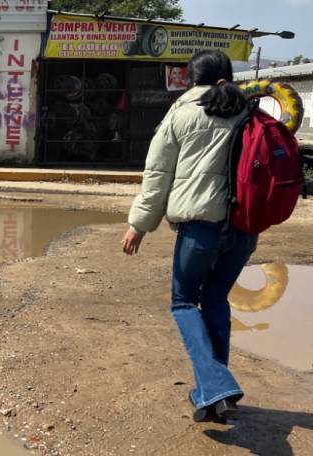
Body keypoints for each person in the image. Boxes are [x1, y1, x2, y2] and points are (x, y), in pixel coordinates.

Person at [120, 50, 257, 424]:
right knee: (215, 300)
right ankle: (215, 397)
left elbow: (157, 176)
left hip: (200, 229)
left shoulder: (181, 114)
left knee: (183, 303)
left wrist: (139, 225)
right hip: (244, 229)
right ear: (226, 77)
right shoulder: (252, 113)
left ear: (191, 81)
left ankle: (215, 386)